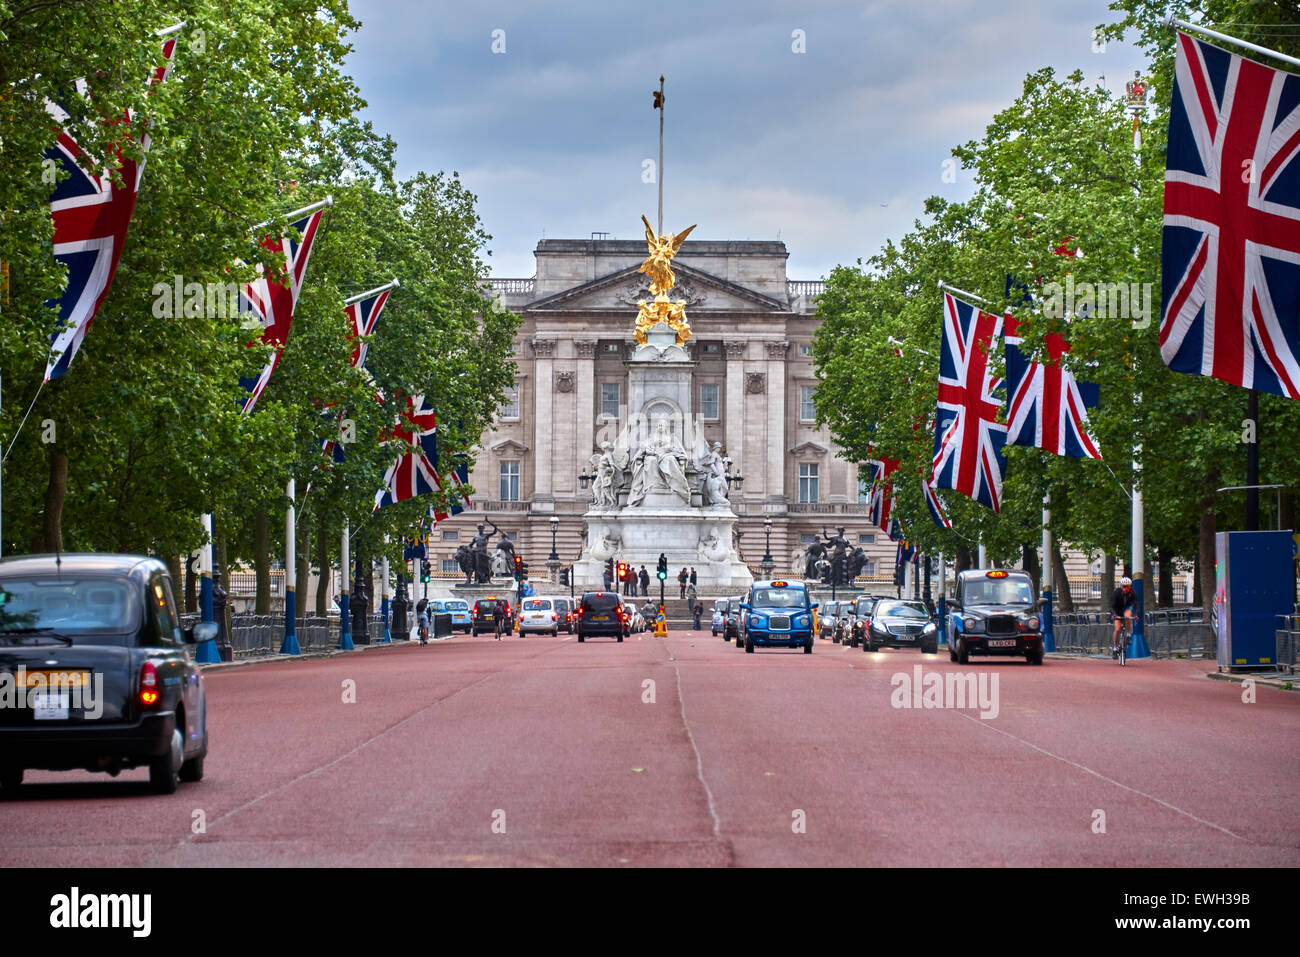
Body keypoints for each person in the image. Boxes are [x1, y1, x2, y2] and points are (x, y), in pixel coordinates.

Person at [1111, 575, 1137, 657]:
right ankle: (1115, 648)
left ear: (1130, 586)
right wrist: (1114, 615)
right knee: (1118, 629)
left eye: (1128, 586)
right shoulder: (1117, 593)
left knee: (1128, 615)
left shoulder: (1132, 593)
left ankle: (1128, 634)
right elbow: (1112, 605)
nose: (1126, 588)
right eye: (1124, 586)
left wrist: (1135, 615)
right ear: (1121, 586)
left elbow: (1136, 604)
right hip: (1117, 612)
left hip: (1126, 610)